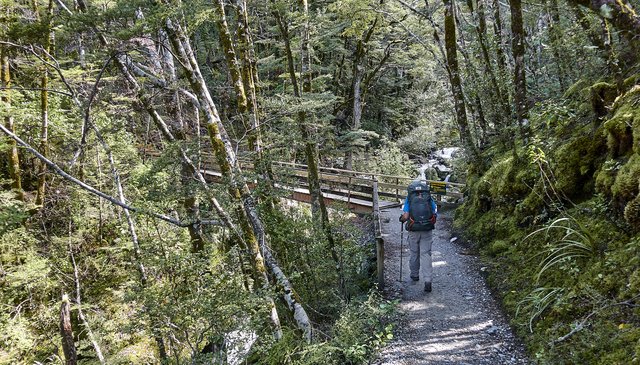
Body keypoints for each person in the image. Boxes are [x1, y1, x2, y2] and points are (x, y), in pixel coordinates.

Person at [399, 180, 437, 292]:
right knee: (426, 254)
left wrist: (401, 219)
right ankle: (428, 280)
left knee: (414, 252)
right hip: (427, 229)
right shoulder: (428, 197)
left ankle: (414, 275)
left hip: (413, 229)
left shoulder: (409, 198)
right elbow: (435, 211)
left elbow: (405, 216)